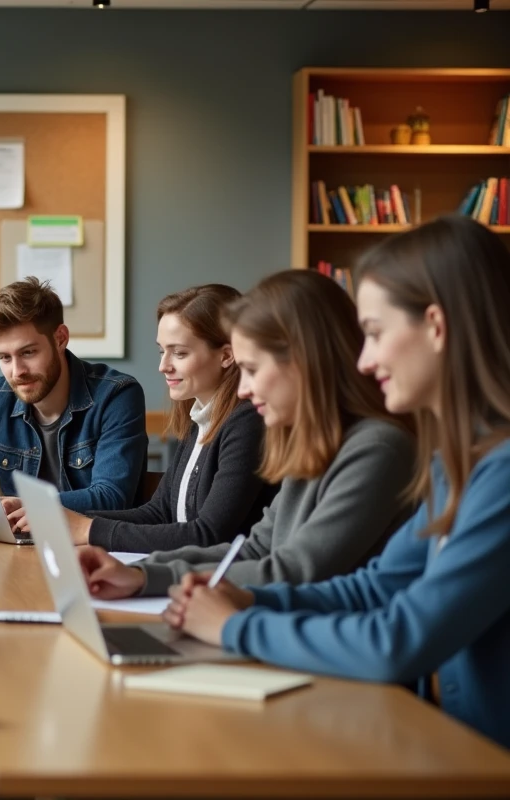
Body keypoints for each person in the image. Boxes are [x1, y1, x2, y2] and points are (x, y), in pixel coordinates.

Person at [163, 217, 510, 749]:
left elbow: (399, 641)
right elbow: (376, 586)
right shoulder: (456, 464)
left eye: (375, 333)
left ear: (436, 327)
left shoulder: (499, 473)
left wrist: (233, 627)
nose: (365, 359)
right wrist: (247, 599)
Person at [76, 270, 416, 598]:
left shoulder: (377, 449)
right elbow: (255, 549)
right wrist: (143, 574)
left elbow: (295, 571)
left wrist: (149, 576)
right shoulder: (309, 444)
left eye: (251, 369)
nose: (244, 389)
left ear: (305, 362)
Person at [0, 277, 148, 528]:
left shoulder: (116, 395)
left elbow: (112, 498)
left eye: (28, 353)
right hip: (16, 545)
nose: (17, 372)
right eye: (5, 358)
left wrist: (31, 505)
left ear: (60, 339)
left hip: (91, 545)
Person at [64, 284, 277, 551]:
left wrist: (89, 530)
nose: (163, 366)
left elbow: (208, 535)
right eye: (161, 351)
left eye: (179, 353)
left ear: (226, 355)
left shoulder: (247, 422)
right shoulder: (200, 418)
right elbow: (159, 513)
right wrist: (67, 519)